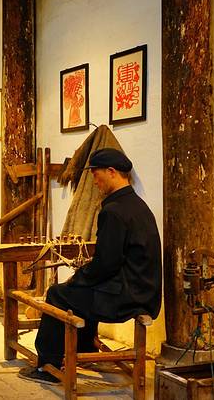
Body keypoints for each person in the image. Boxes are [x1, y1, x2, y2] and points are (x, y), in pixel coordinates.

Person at [18, 148, 162, 385]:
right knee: (82, 289)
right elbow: (112, 262)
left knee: (57, 294)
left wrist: (77, 278)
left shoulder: (114, 211)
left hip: (127, 298)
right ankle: (85, 349)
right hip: (144, 293)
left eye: (96, 174)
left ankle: (47, 367)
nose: (94, 181)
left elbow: (106, 264)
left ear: (112, 172)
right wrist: (84, 277)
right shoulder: (138, 205)